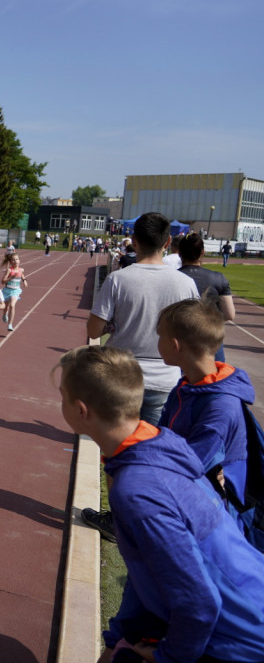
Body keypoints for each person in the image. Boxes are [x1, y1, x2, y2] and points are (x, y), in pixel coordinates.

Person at [55, 345, 264, 663]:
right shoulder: (160, 442)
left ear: (81, 410)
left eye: (62, 396)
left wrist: (169, 657)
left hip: (239, 638)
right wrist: (119, 636)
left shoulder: (137, 492)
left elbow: (199, 602)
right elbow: (149, 567)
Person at [83, 212, 200, 541]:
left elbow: (93, 328)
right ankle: (148, 518)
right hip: (165, 379)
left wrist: (113, 325)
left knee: (117, 451)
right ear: (168, 243)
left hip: (121, 375)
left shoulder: (120, 279)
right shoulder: (184, 283)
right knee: (150, 451)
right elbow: (192, 334)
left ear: (133, 241)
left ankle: (118, 519)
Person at [157, 299, 253, 532]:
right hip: (186, 501)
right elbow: (162, 435)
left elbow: (191, 466)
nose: (157, 343)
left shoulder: (221, 408)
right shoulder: (188, 385)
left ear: (175, 345)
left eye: (159, 337)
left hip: (209, 516)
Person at [177, 232, 236, 361]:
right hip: (209, 339)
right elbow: (229, 314)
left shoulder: (170, 277)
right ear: (203, 252)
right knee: (213, 378)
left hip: (178, 338)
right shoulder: (218, 278)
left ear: (179, 253)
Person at [0, 252, 27, 332]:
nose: (15, 261)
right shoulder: (9, 270)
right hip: (7, 290)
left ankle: (10, 324)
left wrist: (24, 281)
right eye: (13, 260)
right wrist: (11, 277)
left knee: (12, 305)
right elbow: (2, 281)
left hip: (15, 291)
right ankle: (5, 314)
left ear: (19, 260)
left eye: (17, 259)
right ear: (10, 262)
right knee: (6, 307)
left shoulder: (21, 270)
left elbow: (22, 275)